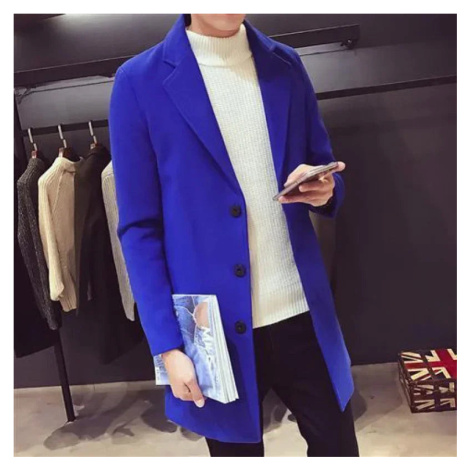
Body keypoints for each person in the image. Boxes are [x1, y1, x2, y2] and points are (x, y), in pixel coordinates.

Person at [109, 13, 359, 457]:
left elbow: (322, 163)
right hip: (213, 332)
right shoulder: (138, 82)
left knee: (339, 451)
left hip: (303, 313)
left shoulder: (285, 64)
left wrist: (326, 189)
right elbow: (139, 228)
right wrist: (167, 346)